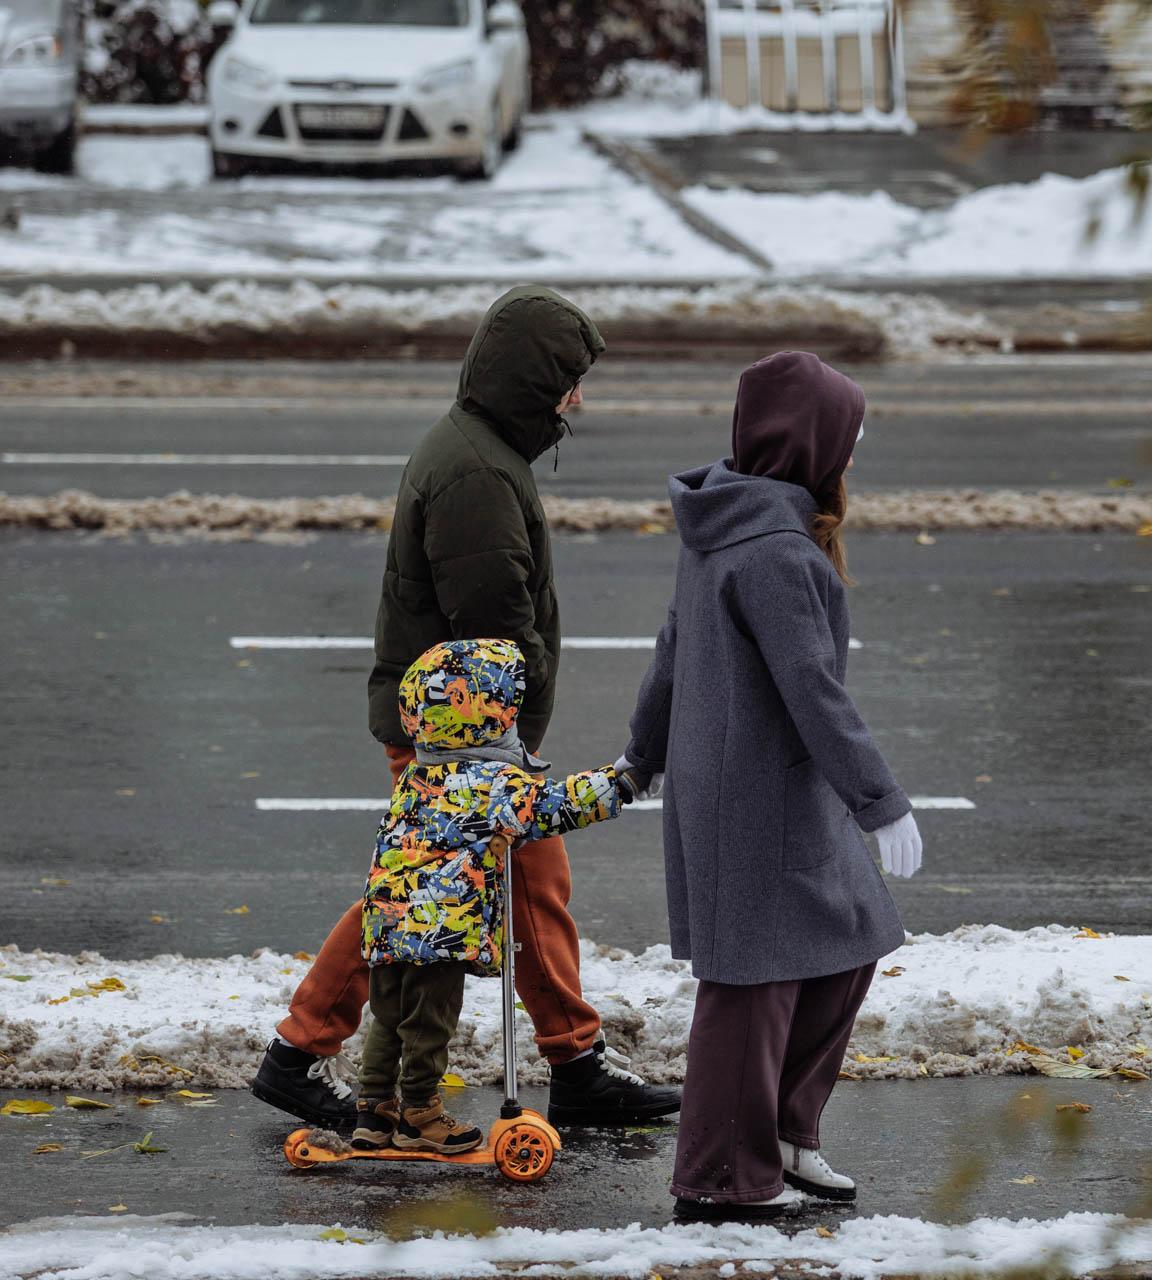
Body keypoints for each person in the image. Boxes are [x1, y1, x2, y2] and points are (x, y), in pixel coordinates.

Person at [251, 285, 680, 1131]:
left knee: (450, 889)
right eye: (568, 380)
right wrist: (508, 741)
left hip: (464, 732)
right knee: (425, 894)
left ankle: (571, 1057)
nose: (578, 398)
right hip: (463, 737)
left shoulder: (481, 449)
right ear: (529, 379)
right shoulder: (477, 472)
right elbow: (495, 625)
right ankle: (302, 1053)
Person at [620, 350, 925, 1224]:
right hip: (756, 800)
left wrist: (643, 755)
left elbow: (670, 651)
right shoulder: (776, 551)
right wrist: (883, 801)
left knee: (853, 934)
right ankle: (723, 1178)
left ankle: (786, 1134)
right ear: (813, 447)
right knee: (749, 987)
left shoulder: (729, 523)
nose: (854, 458)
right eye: (849, 440)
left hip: (766, 794)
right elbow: (814, 692)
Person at [352, 638, 628, 1153]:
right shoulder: (489, 780)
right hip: (442, 926)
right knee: (429, 1022)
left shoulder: (419, 773)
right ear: (490, 713)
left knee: (388, 1014)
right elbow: (551, 806)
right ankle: (419, 1114)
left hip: (387, 919)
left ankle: (373, 1110)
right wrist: (621, 783)